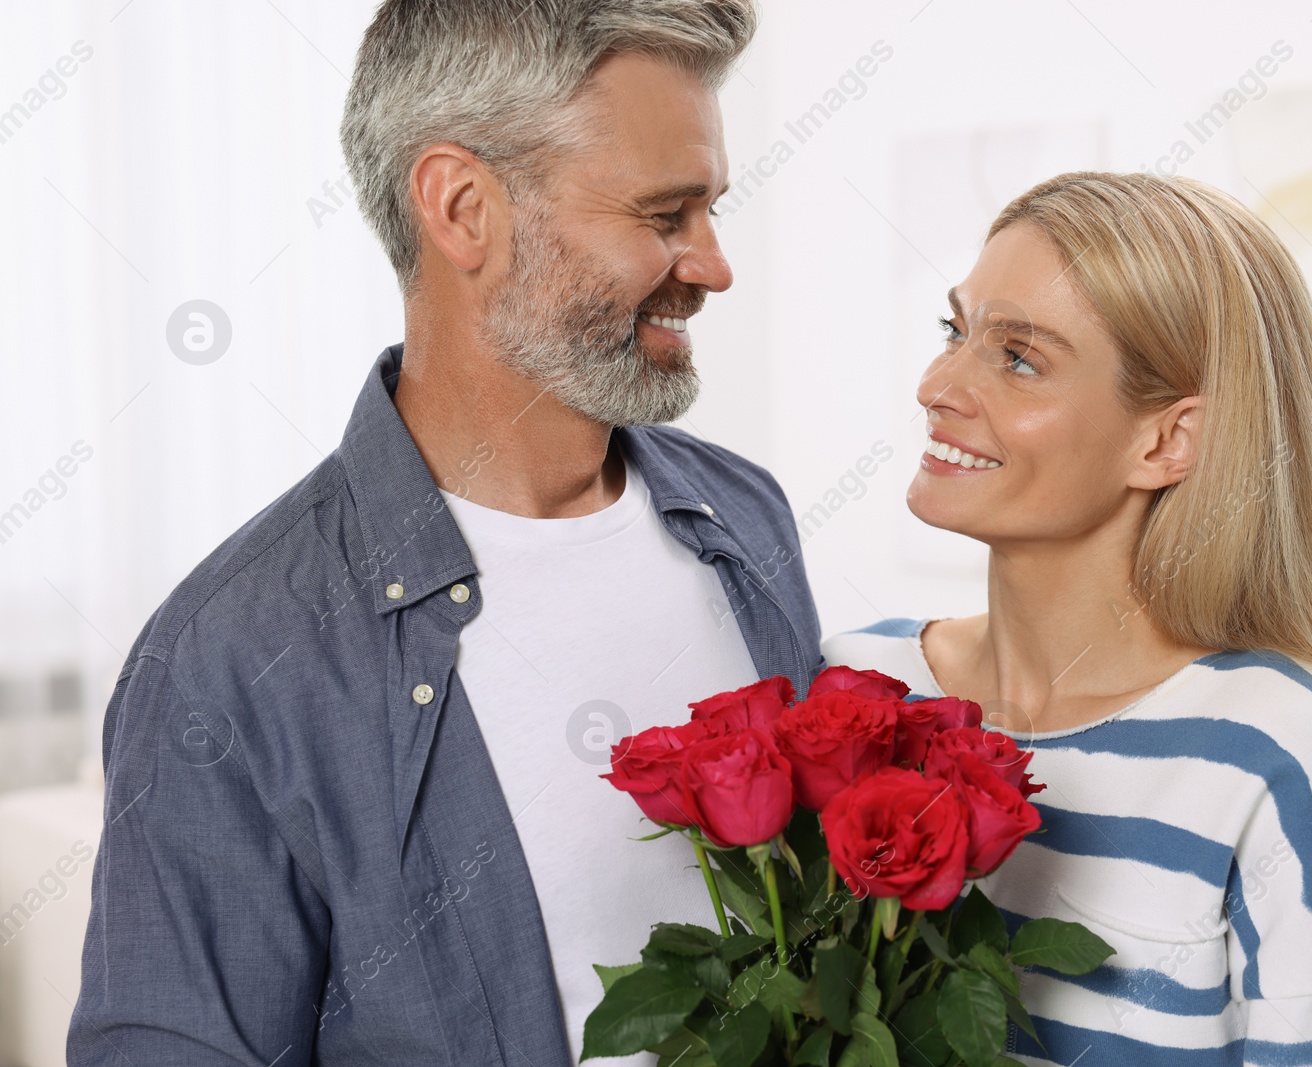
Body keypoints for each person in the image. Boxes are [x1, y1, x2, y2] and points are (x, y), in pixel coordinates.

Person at [68, 2, 825, 1064]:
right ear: (464, 208)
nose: (711, 265)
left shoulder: (747, 520)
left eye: (709, 211)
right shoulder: (230, 654)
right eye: (665, 214)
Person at [823, 172, 1312, 1065]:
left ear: (1167, 441)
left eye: (1018, 358)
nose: (937, 384)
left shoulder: (1271, 744)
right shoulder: (855, 691)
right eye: (954, 331)